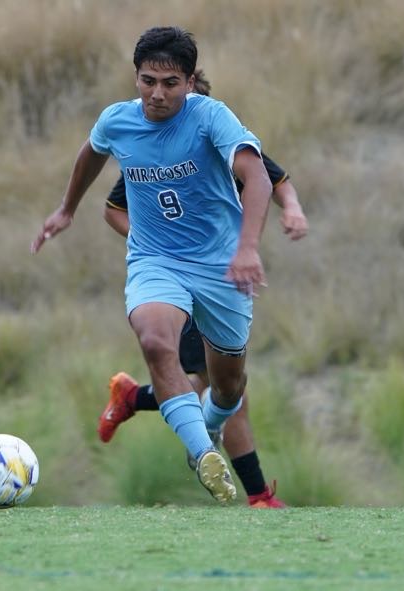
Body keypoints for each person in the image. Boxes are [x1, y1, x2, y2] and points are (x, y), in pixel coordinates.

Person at [31, 26, 274, 503]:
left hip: (221, 265)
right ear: (136, 77)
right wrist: (66, 209)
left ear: (188, 81)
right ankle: (203, 453)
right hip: (155, 259)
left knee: (228, 386)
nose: (157, 94)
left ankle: (210, 423)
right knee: (155, 339)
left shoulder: (211, 118)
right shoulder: (118, 121)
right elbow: (91, 155)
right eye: (147, 81)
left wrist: (247, 248)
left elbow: (259, 177)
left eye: (169, 83)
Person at [99, 70, 307, 508]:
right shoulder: (153, 152)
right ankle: (255, 495)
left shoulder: (225, 140)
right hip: (178, 280)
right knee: (219, 387)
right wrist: (156, 246)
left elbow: (275, 180)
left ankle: (134, 397)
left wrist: (293, 210)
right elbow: (113, 210)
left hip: (223, 278)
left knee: (220, 385)